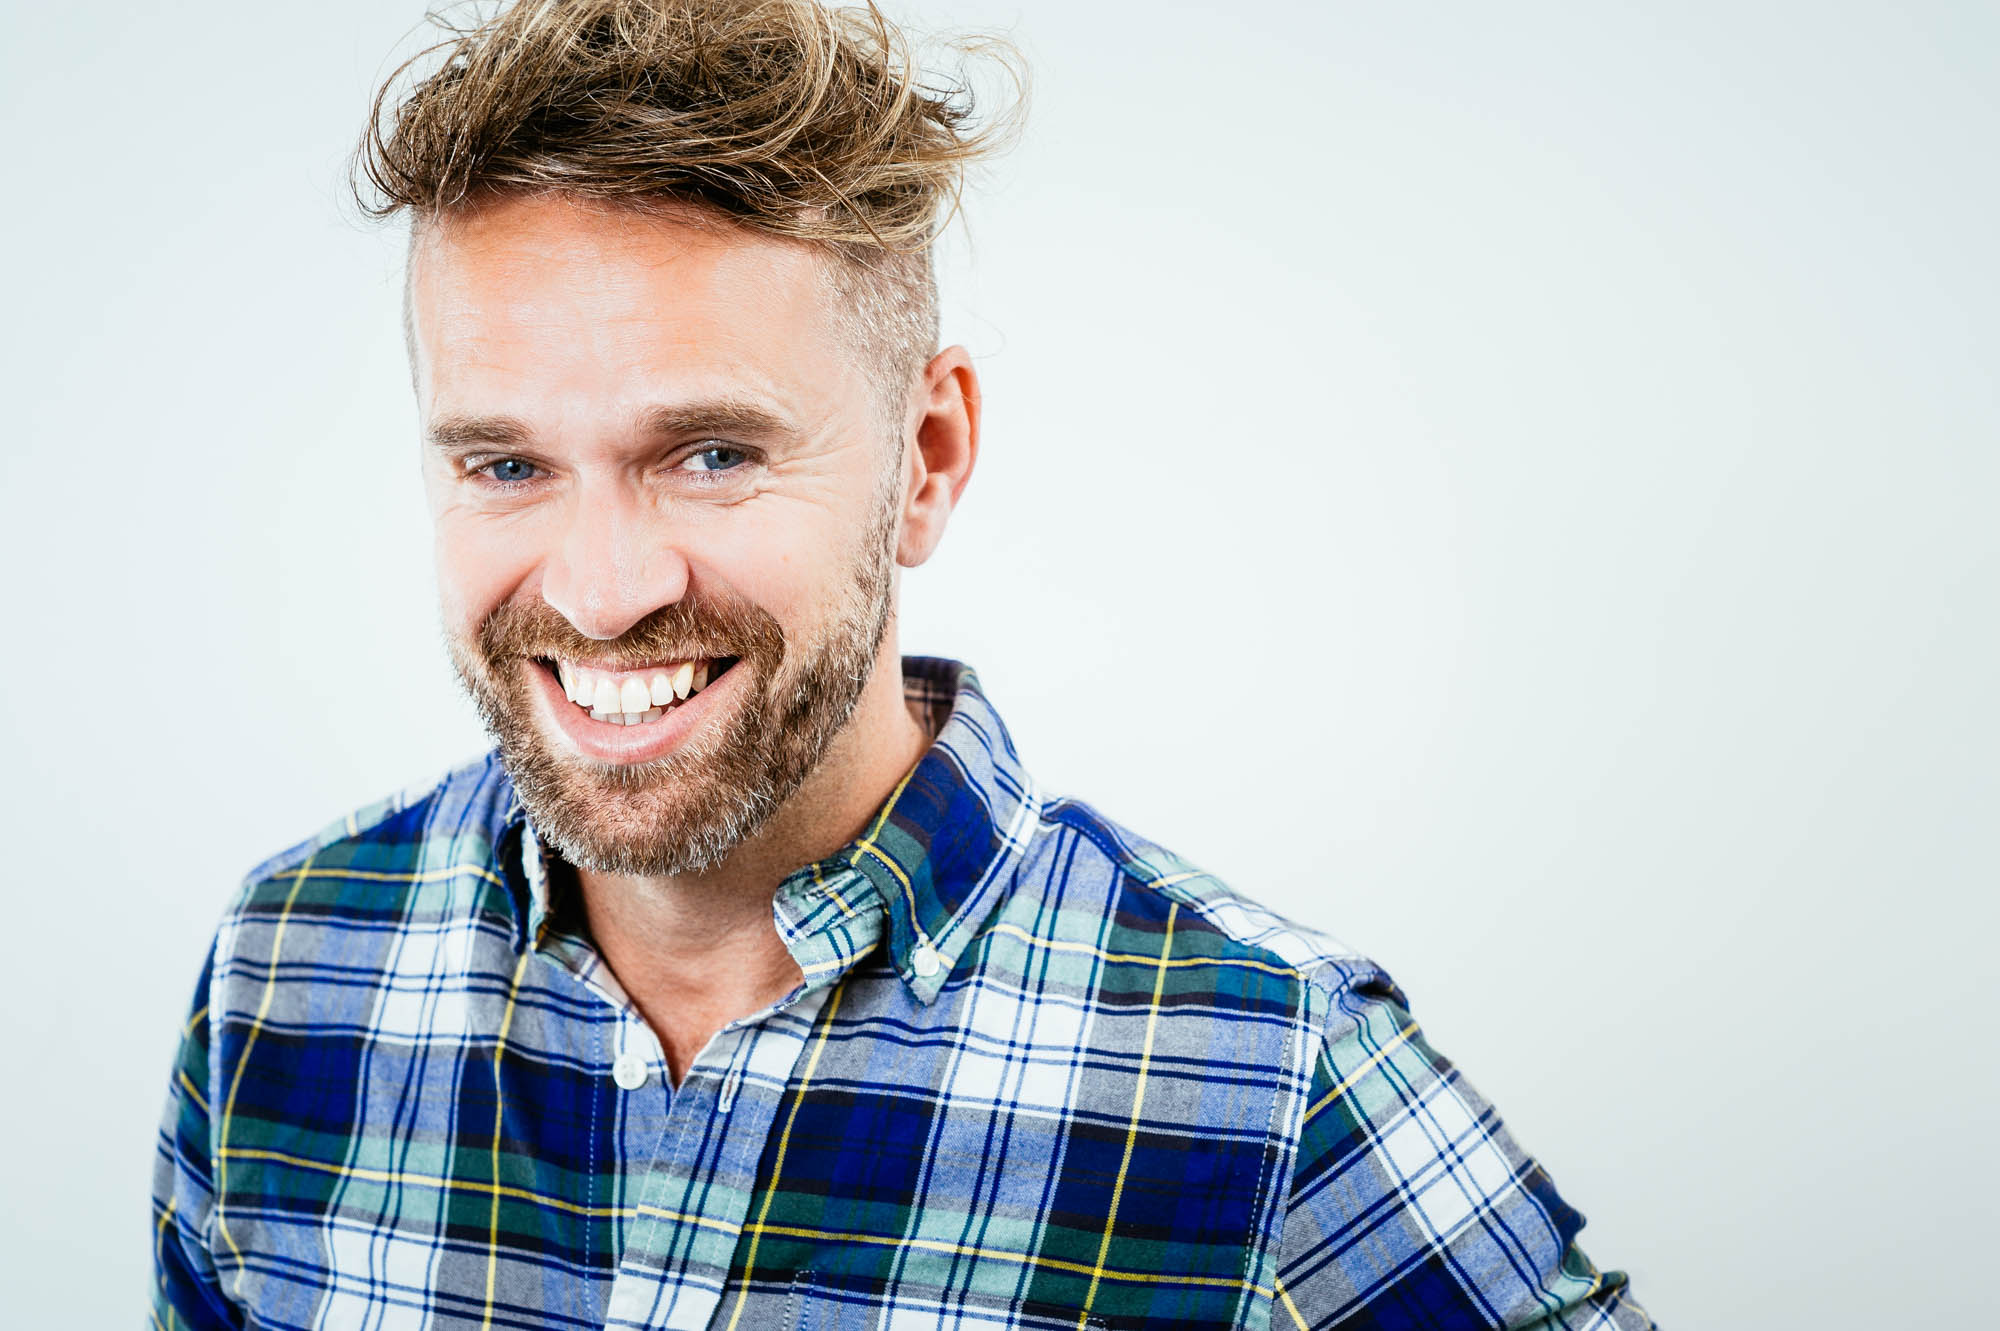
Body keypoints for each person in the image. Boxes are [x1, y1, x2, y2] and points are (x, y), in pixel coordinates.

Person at [150, 2, 1656, 1327]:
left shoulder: (1265, 1075)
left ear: (926, 460)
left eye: (714, 453)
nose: (604, 595)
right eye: (504, 465)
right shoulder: (287, 971)